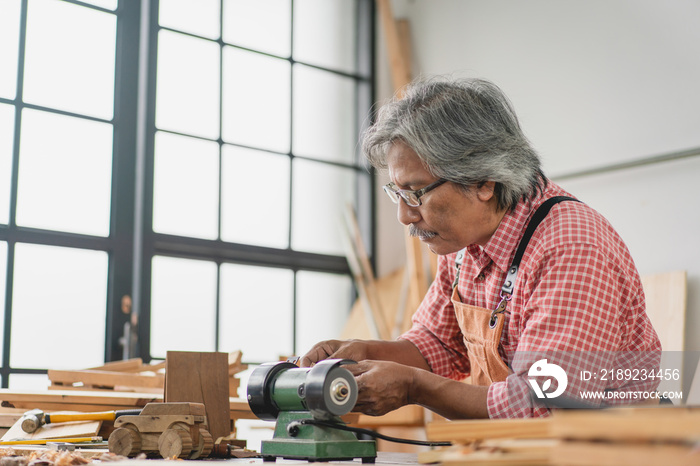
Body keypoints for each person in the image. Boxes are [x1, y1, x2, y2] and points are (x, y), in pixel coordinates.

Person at [300, 77, 661, 419]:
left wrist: (413, 387)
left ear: (483, 182)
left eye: (416, 193)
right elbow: (437, 344)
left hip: (610, 450)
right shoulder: (462, 245)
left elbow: (542, 405)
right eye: (397, 192)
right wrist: (365, 353)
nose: (404, 216)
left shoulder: (570, 248)